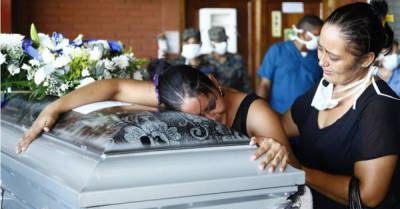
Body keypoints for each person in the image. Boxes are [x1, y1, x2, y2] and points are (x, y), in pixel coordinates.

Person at [255, 1, 400, 209]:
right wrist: (271, 142)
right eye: (320, 49)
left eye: (333, 57)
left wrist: (301, 171)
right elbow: (280, 126)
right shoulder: (324, 88)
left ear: (366, 59)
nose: (321, 61)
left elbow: (369, 195)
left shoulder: (379, 106)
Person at [16, 62, 300, 173]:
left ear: (214, 82)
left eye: (212, 104)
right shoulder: (172, 97)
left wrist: (279, 153)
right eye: (198, 117)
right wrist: (54, 108)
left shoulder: (255, 111)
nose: (214, 117)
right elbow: (113, 86)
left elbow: (298, 177)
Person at [257, 14, 324, 114]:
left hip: (309, 116)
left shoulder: (319, 57)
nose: (319, 39)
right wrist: (259, 112)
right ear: (304, 34)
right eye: (317, 34)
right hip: (279, 115)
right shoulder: (277, 51)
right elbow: (264, 85)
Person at [204, 26, 252, 93]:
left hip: (236, 99)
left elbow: (246, 85)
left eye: (224, 40)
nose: (223, 44)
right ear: (211, 43)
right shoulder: (204, 62)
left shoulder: (237, 59)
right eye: (218, 41)